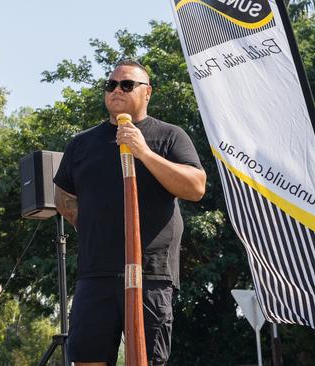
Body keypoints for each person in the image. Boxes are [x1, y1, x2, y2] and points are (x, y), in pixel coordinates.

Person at [53, 60, 206, 366]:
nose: (116, 90)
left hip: (151, 272)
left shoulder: (169, 136)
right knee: (85, 358)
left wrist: (144, 153)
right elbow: (62, 196)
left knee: (146, 360)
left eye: (126, 85)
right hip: (96, 274)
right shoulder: (81, 144)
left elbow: (196, 187)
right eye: (111, 85)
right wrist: (92, 224)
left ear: (147, 93)